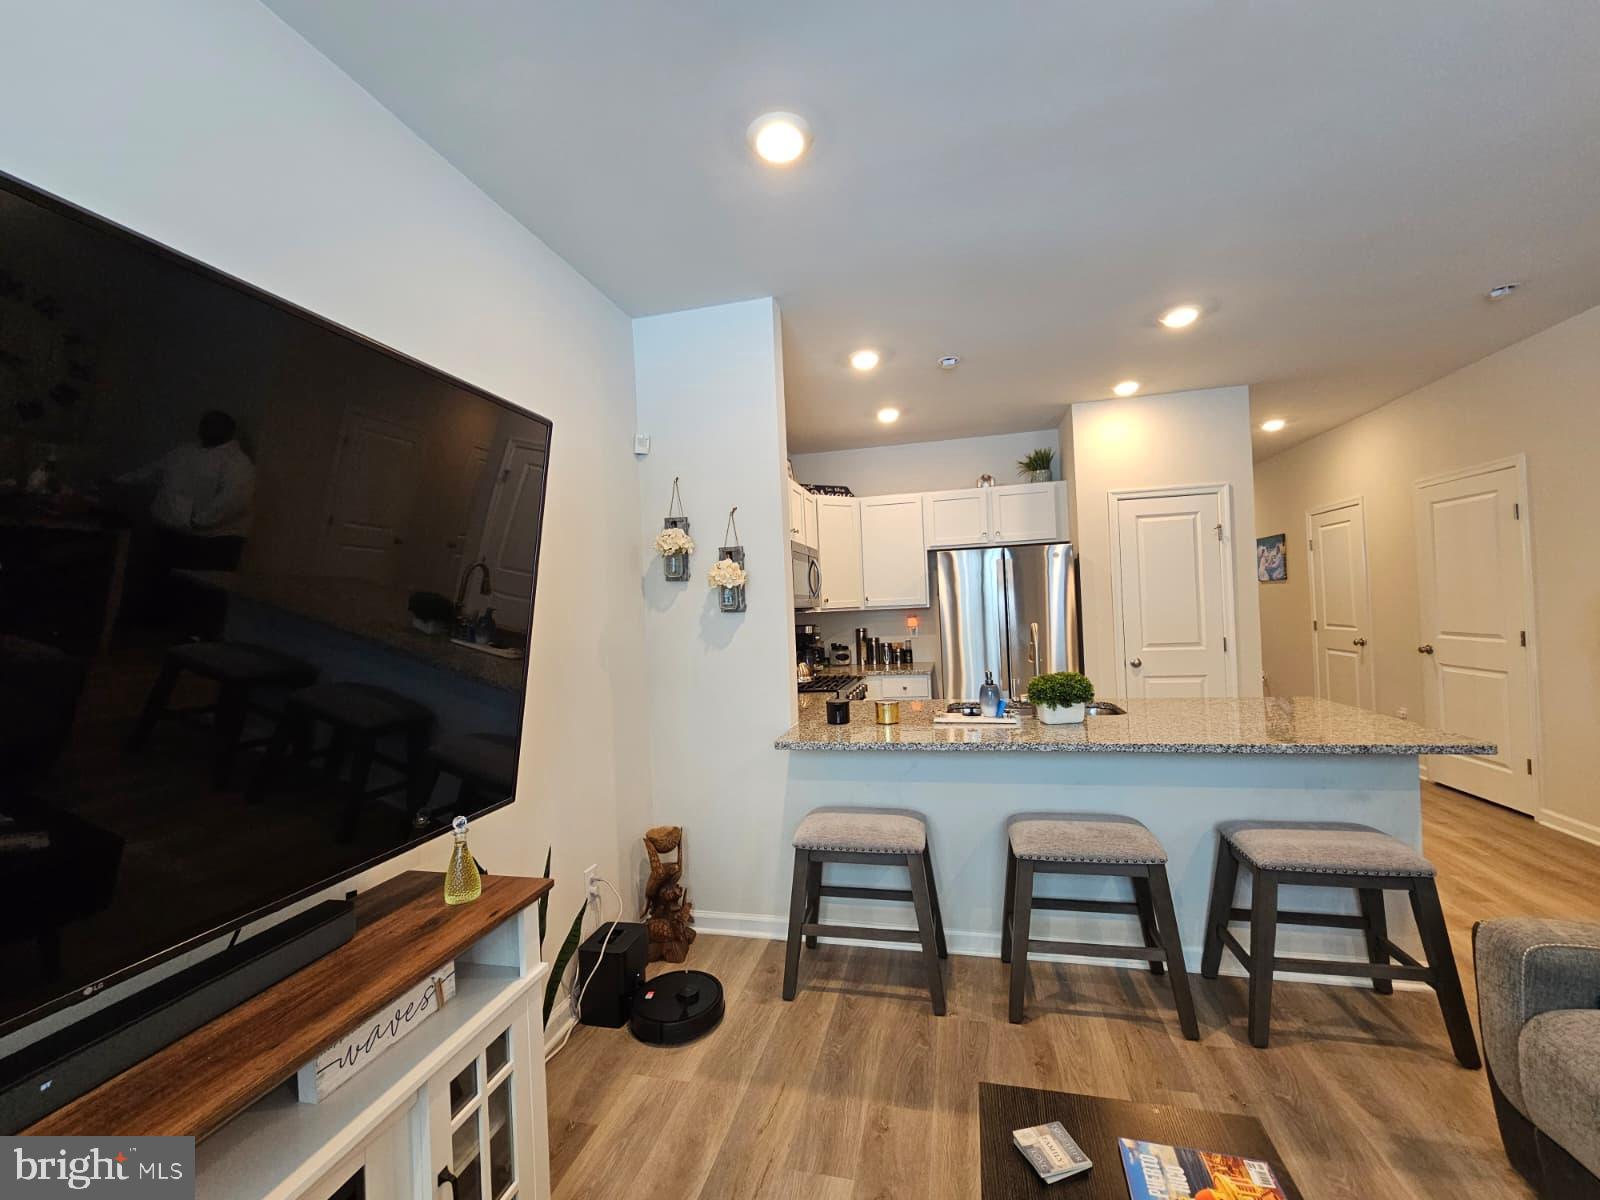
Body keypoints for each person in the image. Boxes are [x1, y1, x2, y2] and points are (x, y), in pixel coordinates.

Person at [119, 410, 256, 634]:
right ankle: (158, 630)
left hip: (212, 540)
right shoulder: (183, 452)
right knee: (164, 585)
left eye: (215, 425)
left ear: (230, 431)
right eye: (205, 424)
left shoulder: (237, 463)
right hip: (172, 531)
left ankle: (192, 637)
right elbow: (152, 472)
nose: (207, 429)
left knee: (199, 593)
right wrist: (118, 482)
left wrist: (199, 521)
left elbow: (233, 501)